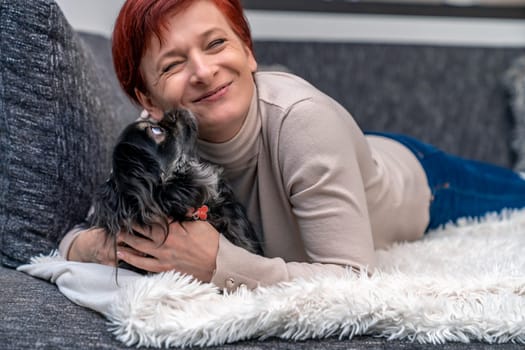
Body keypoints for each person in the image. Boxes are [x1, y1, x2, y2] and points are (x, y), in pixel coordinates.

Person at [59, 0, 525, 292]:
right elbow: (70, 242)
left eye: (216, 43)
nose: (202, 71)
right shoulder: (157, 150)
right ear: (147, 100)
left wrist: (217, 264)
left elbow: (352, 282)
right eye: (173, 64)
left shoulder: (303, 120)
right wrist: (105, 248)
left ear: (248, 52)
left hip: (425, 183)